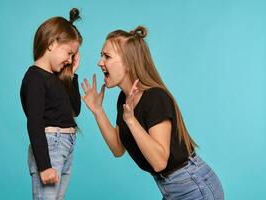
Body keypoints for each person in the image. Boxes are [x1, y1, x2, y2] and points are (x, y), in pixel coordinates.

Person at [81, 26, 224, 200]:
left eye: (107, 56)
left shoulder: (155, 97)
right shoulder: (124, 99)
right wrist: (98, 111)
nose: (100, 62)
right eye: (101, 55)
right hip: (170, 187)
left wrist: (131, 121)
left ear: (127, 62)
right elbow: (118, 149)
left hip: (193, 185)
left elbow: (159, 162)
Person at [20, 8, 82, 200]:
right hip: (50, 145)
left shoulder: (57, 77)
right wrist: (45, 166)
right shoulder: (35, 78)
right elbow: (35, 122)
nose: (69, 60)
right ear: (53, 43)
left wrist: (71, 75)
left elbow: (75, 110)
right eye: (69, 53)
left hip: (65, 145)